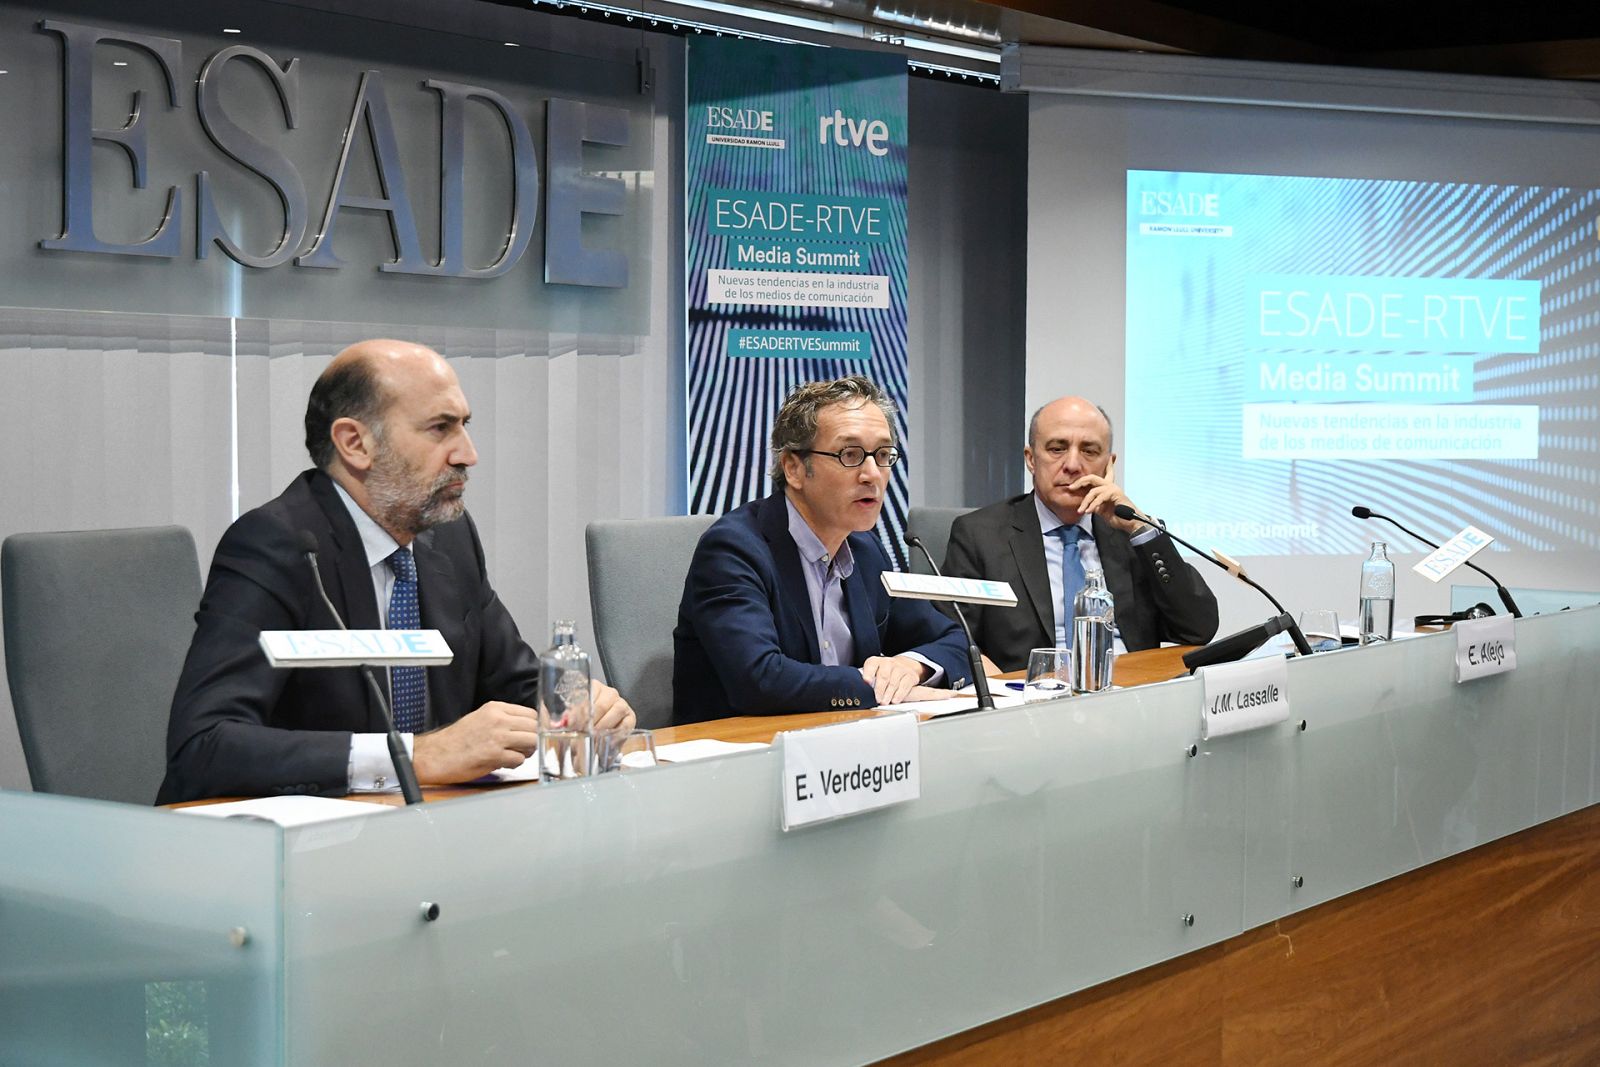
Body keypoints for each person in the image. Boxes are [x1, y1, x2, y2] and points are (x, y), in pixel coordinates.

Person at [157, 339, 633, 804]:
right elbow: (204, 745)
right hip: (293, 850)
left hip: (429, 834)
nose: (467, 454)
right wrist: (412, 756)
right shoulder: (279, 546)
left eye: (465, 425)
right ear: (355, 443)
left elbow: (515, 680)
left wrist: (578, 704)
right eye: (440, 428)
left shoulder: (446, 536)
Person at [673, 376, 970, 724]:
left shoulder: (865, 550)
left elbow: (954, 640)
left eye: (884, 454)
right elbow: (758, 679)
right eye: (850, 455)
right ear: (794, 468)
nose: (872, 474)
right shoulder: (734, 550)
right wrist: (875, 689)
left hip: (846, 755)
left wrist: (910, 666)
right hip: (741, 756)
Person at [942, 395, 1218, 672]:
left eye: (1089, 451)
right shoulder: (980, 535)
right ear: (1031, 459)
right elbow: (951, 639)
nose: (1073, 465)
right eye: (1057, 449)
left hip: (1131, 694)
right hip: (1032, 700)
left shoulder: (1130, 535)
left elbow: (1197, 629)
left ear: (1109, 465)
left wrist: (1140, 530)